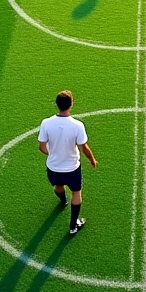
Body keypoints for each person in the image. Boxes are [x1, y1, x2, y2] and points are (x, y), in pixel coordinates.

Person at [38, 90, 98, 235]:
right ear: (71, 104)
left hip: (53, 167)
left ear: (56, 104)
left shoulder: (46, 123)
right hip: (72, 168)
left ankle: (63, 200)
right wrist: (92, 160)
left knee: (58, 186)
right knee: (76, 192)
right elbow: (84, 147)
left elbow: (41, 147)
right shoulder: (77, 125)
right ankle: (73, 226)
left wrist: (53, 154)